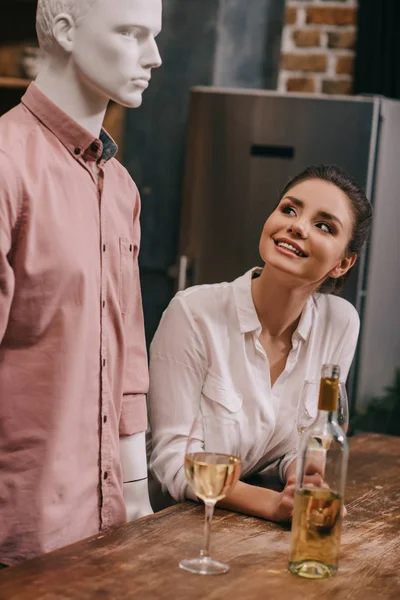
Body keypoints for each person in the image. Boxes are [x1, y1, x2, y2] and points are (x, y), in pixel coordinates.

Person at [0, 0, 162, 565]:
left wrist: (138, 495)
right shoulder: (5, 163)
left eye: (155, 36)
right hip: (19, 528)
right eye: (132, 33)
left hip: (106, 524)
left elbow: (128, 355)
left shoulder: (122, 188)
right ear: (65, 31)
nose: (155, 56)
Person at [148, 164, 372, 522]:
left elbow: (301, 443)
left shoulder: (340, 323)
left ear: (343, 263)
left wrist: (301, 473)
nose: (297, 226)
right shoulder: (193, 313)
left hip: (250, 535)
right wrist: (273, 506)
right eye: (289, 209)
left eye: (323, 225)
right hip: (176, 525)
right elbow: (173, 463)